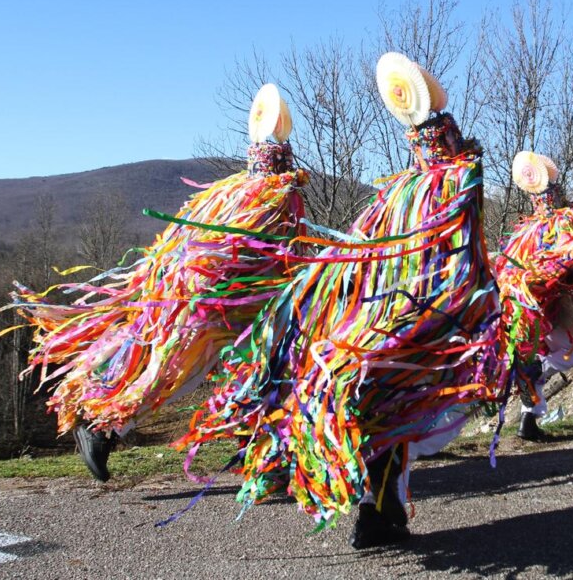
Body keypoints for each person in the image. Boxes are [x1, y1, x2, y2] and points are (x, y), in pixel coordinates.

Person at [176, 53, 499, 549]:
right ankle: (372, 507)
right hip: (408, 321)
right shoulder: (449, 186)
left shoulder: (404, 193)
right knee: (391, 405)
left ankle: (370, 506)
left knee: (372, 401)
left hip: (383, 318)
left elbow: (365, 252)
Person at [3, 84, 309, 482]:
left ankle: (263, 457)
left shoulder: (266, 198)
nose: (287, 169)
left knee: (267, 370)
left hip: (250, 313)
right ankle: (99, 424)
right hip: (211, 311)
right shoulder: (250, 198)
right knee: (175, 369)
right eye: (282, 161)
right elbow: (209, 253)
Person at [492, 151, 573, 441]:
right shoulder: (562, 222)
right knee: (567, 355)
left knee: (540, 358)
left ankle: (528, 422)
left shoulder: (526, 230)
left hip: (525, 310)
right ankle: (533, 377)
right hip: (546, 307)